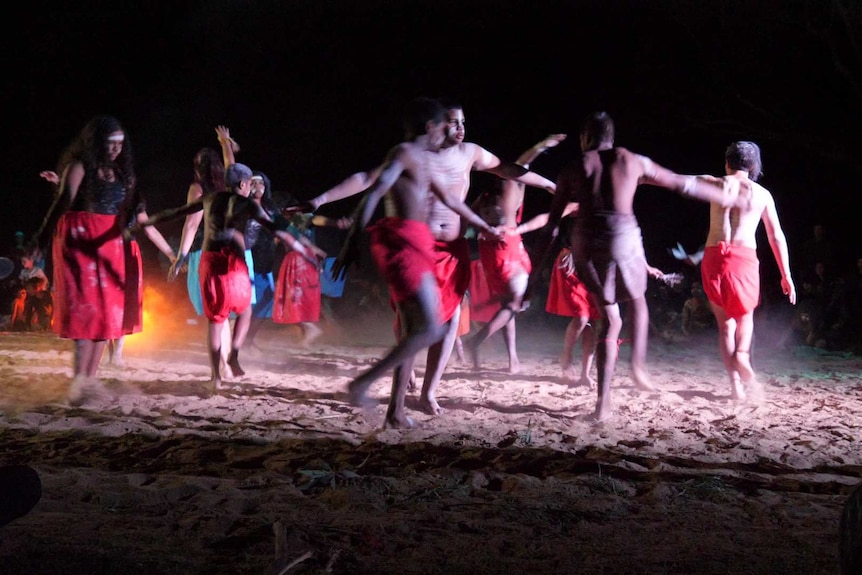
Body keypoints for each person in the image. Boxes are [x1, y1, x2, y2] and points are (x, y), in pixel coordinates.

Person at [527, 111, 742, 422]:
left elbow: (549, 226)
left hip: (586, 246)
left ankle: (602, 404)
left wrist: (533, 277)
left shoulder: (574, 167)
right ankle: (638, 367)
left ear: (586, 139)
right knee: (637, 302)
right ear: (612, 137)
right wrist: (723, 196)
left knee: (608, 317)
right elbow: (679, 184)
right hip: (622, 239)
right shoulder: (631, 160)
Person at [331, 97, 502, 428]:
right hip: (402, 242)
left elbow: (450, 199)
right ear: (431, 128)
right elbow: (374, 189)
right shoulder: (404, 153)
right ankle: (362, 383)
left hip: (418, 243)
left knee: (421, 329)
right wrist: (352, 239)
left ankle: (395, 411)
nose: (451, 132)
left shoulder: (423, 159)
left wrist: (483, 227)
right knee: (428, 328)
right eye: (445, 126)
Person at [137, 162, 319, 391]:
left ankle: (216, 376)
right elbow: (278, 230)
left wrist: (148, 222)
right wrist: (306, 254)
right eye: (249, 184)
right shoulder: (246, 204)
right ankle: (233, 353)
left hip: (210, 261)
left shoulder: (210, 198)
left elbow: (174, 213)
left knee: (216, 320)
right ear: (243, 184)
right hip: (234, 263)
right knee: (245, 310)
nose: (251, 188)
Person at [31, 116, 154, 403]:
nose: (115, 149)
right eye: (110, 143)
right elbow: (63, 202)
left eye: (120, 144)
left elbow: (130, 214)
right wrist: (40, 238)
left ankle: (89, 383)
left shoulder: (123, 175)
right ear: (97, 142)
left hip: (110, 242)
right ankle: (78, 383)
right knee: (86, 314)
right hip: (80, 239)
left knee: (106, 316)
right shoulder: (79, 166)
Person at [38, 169, 176, 365]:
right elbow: (77, 196)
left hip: (126, 251)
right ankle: (111, 351)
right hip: (104, 250)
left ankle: (117, 353)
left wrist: (170, 253)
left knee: (124, 303)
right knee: (105, 303)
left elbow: (148, 227)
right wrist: (59, 182)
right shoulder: (99, 192)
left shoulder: (134, 196)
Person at [699, 141, 795, 401]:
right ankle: (743, 355)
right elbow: (776, 235)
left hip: (713, 257)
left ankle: (735, 387)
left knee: (724, 327)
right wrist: (786, 274)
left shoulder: (713, 183)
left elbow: (673, 180)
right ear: (753, 166)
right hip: (742, 259)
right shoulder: (762, 194)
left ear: (727, 163)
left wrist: (642, 177)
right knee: (744, 318)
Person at [465, 134, 567, 373]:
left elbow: (466, 218)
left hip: (489, 253)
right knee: (514, 303)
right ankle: (477, 341)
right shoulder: (513, 189)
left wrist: (483, 230)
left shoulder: (485, 197)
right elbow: (523, 164)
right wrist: (540, 146)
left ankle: (513, 360)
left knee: (507, 305)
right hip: (508, 251)